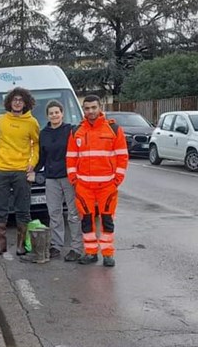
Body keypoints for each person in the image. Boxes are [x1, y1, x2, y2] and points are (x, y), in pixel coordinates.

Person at [66, 95, 129, 267]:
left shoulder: (114, 129)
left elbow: (122, 156)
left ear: (100, 107)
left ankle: (108, 254)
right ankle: (91, 252)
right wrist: (74, 180)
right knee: (86, 221)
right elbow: (71, 158)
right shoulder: (76, 131)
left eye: (94, 107)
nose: (91, 111)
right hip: (83, 186)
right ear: (83, 110)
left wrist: (117, 180)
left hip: (107, 186)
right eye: (87, 108)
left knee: (107, 220)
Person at [0, 87, 40, 256]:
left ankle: (20, 245)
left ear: (26, 103)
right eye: (14, 100)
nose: (17, 103)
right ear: (9, 102)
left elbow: (36, 144)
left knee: (23, 208)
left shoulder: (32, 122)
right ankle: (1, 244)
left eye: (20, 100)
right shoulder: (0, 119)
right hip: (1, 170)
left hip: (21, 171)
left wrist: (32, 163)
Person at [29, 100, 82, 262]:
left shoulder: (70, 130)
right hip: (51, 179)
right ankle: (56, 245)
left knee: (73, 213)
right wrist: (33, 170)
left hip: (69, 177)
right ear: (47, 116)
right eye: (51, 113)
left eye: (57, 112)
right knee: (54, 213)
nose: (54, 115)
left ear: (62, 113)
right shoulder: (44, 134)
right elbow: (42, 157)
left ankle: (76, 247)